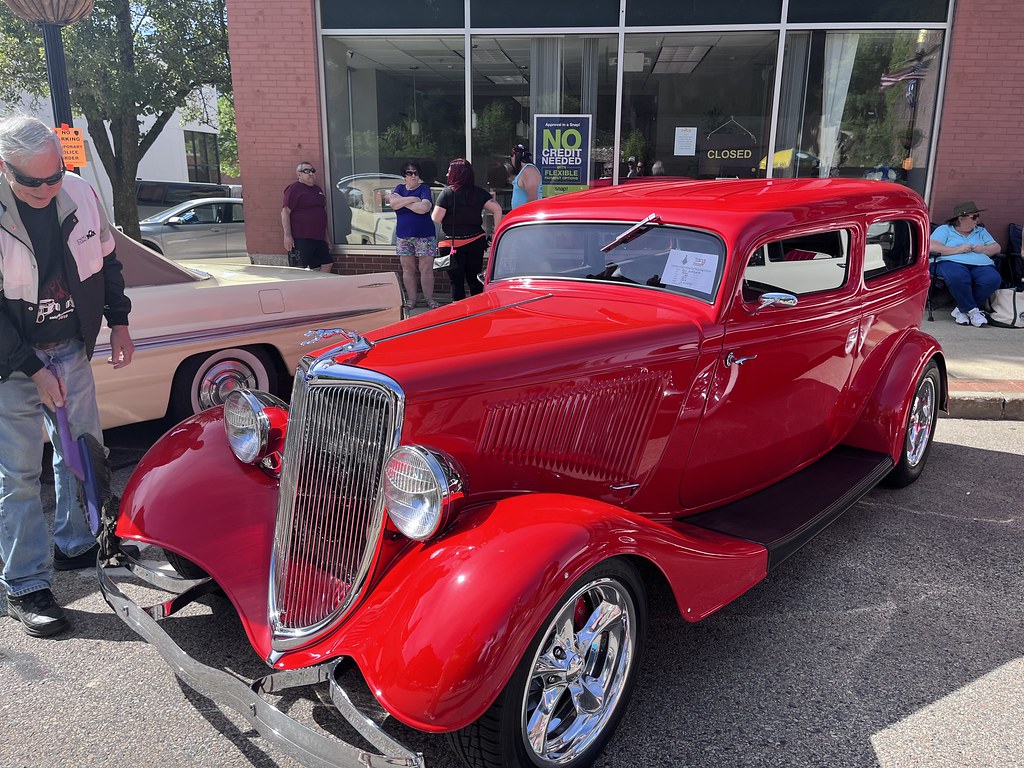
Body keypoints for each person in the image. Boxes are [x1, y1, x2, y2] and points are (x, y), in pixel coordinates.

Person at [0, 114, 135, 637]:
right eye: (33, 180)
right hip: (11, 362)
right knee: (18, 475)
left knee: (81, 452)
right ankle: (26, 583)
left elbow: (106, 263)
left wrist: (119, 324)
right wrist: (33, 369)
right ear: (6, 169)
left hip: (71, 347)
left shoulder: (79, 192)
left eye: (55, 175)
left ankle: (75, 545)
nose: (48, 187)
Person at [431, 159, 503, 301]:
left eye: (449, 171)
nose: (447, 174)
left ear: (455, 174)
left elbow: (436, 218)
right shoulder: (479, 193)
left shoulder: (447, 193)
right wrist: (495, 233)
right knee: (475, 280)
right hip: (475, 241)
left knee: (456, 282)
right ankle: (478, 312)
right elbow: (497, 209)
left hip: (451, 244)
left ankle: (459, 315)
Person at [930, 201, 1002, 327]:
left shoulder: (980, 231)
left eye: (977, 216)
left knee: (992, 279)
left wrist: (983, 249)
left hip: (981, 264)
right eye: (974, 217)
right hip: (950, 262)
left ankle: (962, 310)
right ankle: (973, 311)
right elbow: (932, 246)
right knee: (958, 277)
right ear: (960, 218)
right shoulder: (945, 230)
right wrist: (958, 249)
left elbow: (997, 247)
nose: (977, 220)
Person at [389, 160, 439, 309]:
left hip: (424, 235)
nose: (413, 176)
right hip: (403, 236)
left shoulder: (424, 188)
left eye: (415, 173)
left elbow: (424, 208)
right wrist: (412, 200)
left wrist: (402, 202)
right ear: (404, 176)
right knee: (408, 268)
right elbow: (393, 204)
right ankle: (412, 299)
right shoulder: (399, 188)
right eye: (409, 173)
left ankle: (429, 299)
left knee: (426, 269)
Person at [281, 161, 333, 272]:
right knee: (299, 269)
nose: (311, 174)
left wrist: (326, 237)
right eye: (306, 171)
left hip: (318, 237)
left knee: (327, 263)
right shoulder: (294, 189)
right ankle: (298, 289)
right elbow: (285, 212)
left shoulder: (317, 190)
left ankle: (318, 288)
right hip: (301, 237)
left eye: (312, 171)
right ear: (299, 174)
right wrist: (287, 236)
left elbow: (321, 215)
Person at [510, 143, 542, 208]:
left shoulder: (529, 171)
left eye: (511, 156)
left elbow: (533, 199)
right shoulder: (524, 172)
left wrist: (524, 214)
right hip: (520, 215)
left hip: (526, 215)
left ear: (515, 156)